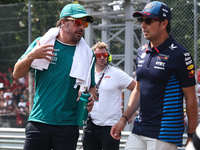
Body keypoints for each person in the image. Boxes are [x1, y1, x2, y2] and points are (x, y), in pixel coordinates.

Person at [110, 1, 198, 150]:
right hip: (139, 129)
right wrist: (123, 119)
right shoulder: (141, 51)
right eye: (141, 20)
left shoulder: (180, 54)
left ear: (164, 23)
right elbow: (138, 90)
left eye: (148, 21)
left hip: (165, 133)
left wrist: (191, 135)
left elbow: (191, 98)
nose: (143, 25)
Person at [13, 3, 96, 150]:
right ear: (63, 22)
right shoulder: (42, 43)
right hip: (39, 122)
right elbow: (17, 73)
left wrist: (91, 98)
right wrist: (31, 56)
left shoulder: (88, 55)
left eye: (85, 23)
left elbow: (91, 87)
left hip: (68, 126)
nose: (81, 27)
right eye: (77, 22)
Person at [83, 42, 136, 150]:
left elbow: (138, 89)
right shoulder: (87, 74)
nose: (102, 57)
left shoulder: (116, 73)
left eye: (105, 55)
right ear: (93, 57)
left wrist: (132, 112)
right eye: (98, 55)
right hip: (90, 125)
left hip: (111, 126)